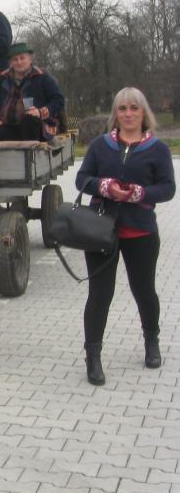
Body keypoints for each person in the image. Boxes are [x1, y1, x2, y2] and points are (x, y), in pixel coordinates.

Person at [75, 87, 175, 385]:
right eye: (122, 109)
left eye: (134, 108)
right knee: (99, 295)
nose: (128, 114)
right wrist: (104, 186)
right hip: (101, 230)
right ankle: (93, 356)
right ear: (115, 114)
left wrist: (139, 193)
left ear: (144, 112)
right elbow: (82, 179)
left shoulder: (158, 148)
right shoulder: (100, 145)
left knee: (144, 290)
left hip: (141, 230)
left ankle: (151, 340)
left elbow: (168, 188)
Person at [0, 43, 65, 142]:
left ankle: (30, 155)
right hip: (8, 126)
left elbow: (59, 100)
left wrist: (40, 112)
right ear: (10, 63)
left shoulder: (42, 77)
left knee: (30, 121)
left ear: (30, 59)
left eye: (22, 58)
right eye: (15, 59)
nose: (19, 62)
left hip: (38, 125)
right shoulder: (3, 78)